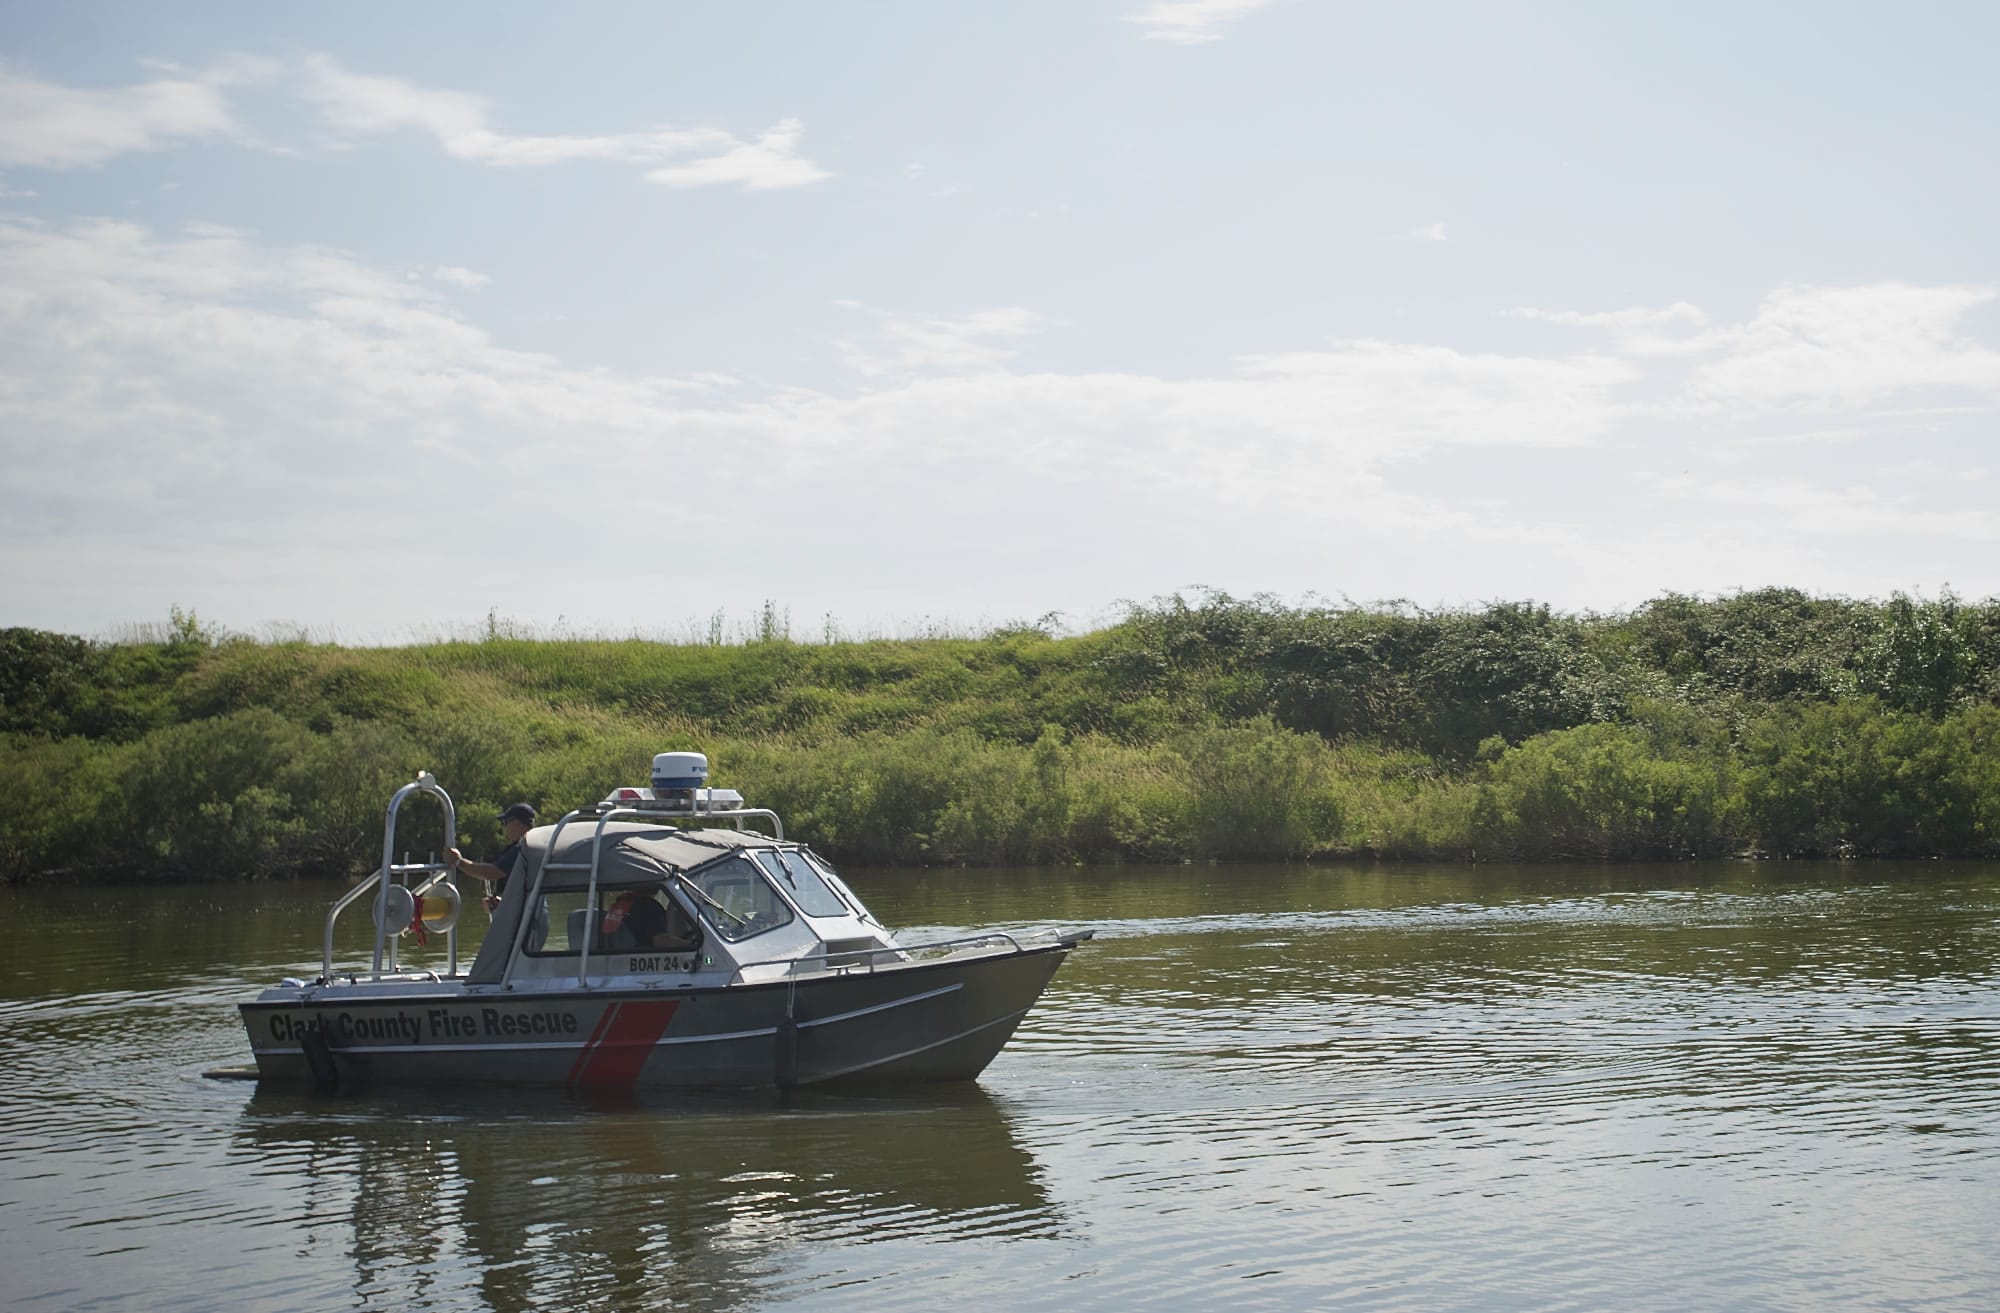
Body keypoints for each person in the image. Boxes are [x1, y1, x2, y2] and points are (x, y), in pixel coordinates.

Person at [449, 802, 535, 914]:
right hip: (530, 913)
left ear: (516, 822)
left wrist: (458, 862)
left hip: (527, 920)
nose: (503, 827)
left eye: (505, 822)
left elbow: (492, 872)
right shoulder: (534, 845)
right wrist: (502, 904)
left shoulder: (522, 848)